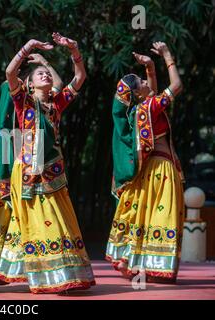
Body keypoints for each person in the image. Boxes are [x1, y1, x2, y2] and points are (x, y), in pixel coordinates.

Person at [0, 33, 95, 293]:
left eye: (47, 74)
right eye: (39, 74)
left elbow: (79, 77)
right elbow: (9, 71)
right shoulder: (23, 102)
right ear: (28, 84)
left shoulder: (56, 105)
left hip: (53, 169)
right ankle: (46, 277)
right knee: (39, 222)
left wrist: (74, 50)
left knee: (59, 218)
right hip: (28, 171)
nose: (46, 75)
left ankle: (62, 273)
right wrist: (28, 47)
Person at [106, 42, 184, 283]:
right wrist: (168, 56)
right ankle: (156, 265)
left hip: (149, 171)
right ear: (138, 93)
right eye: (140, 82)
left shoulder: (138, 111)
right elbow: (176, 86)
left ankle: (131, 261)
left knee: (146, 216)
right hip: (162, 169)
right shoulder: (149, 107)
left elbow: (153, 89)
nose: (145, 81)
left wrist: (151, 66)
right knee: (164, 215)